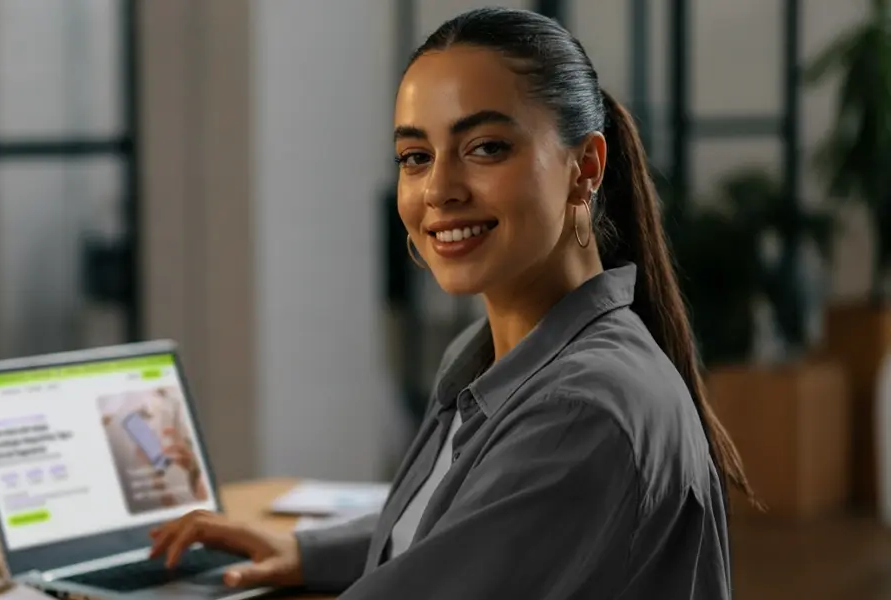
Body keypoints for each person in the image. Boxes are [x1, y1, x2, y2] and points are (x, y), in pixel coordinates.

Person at [148, 7, 753, 599]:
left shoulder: (583, 408)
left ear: (584, 168)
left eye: (486, 148)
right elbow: (461, 536)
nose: (438, 190)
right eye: (416, 157)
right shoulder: (486, 356)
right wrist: (304, 553)